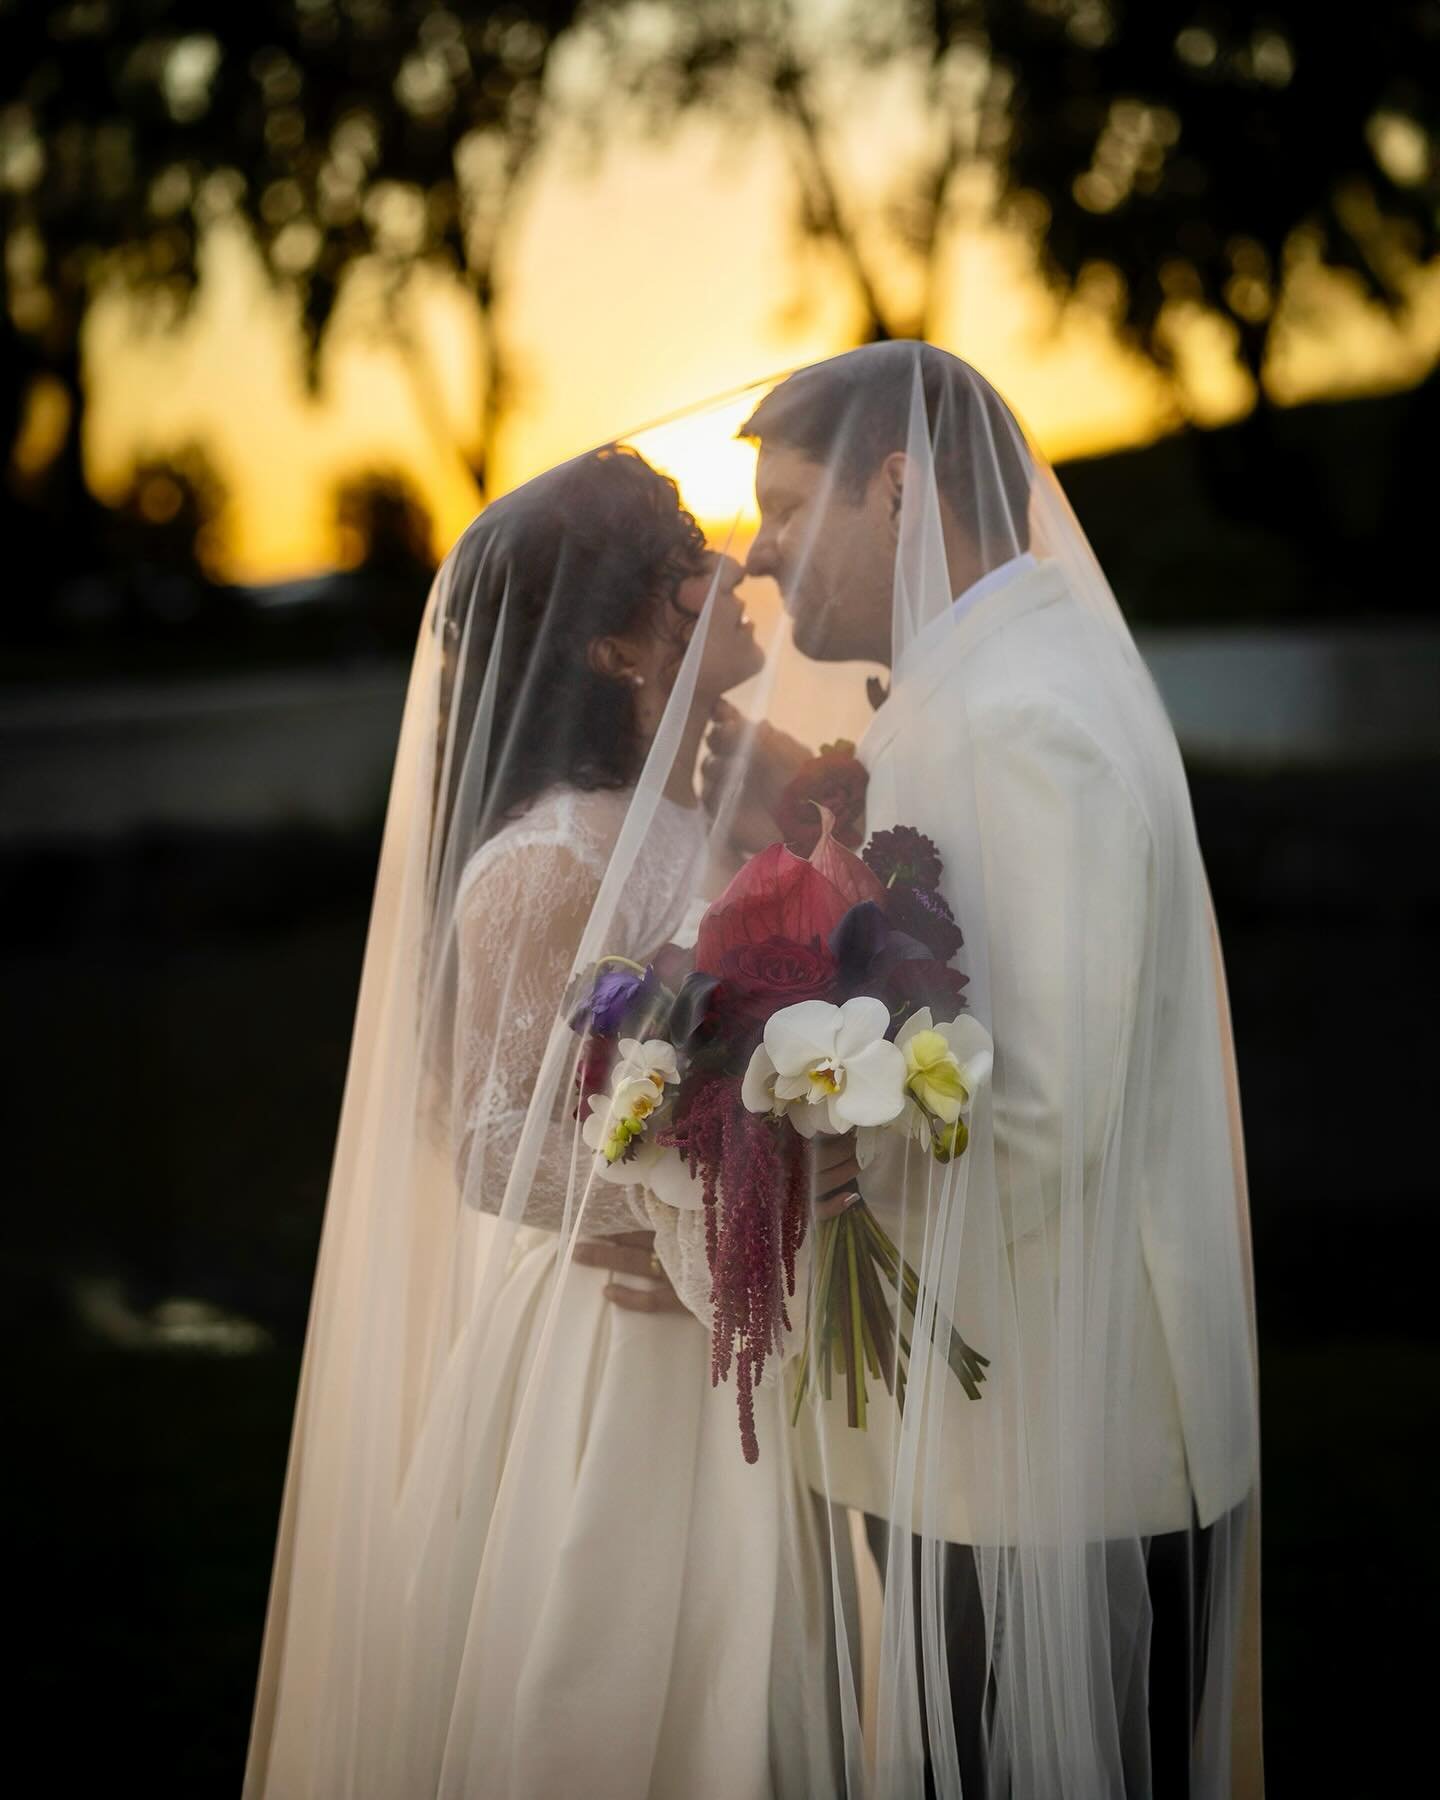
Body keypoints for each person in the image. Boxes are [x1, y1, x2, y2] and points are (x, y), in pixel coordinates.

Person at [700, 342, 1263, 1797]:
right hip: (994, 1437)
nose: (756, 552)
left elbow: (1043, 1109)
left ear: (898, 487)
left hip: (1058, 1460)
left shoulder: (1021, 722)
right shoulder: (983, 686)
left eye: (784, 503)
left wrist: (809, 1160)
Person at [244, 446, 842, 1799]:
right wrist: (688, 1193)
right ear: (610, 649)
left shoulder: (700, 812)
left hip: (741, 1316)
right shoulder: (546, 860)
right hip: (623, 1354)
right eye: (687, 561)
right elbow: (494, 1139)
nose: (731, 566)